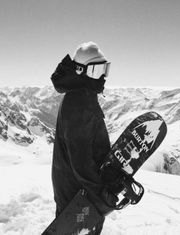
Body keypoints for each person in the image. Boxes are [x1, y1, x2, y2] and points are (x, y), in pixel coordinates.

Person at [50, 42, 112, 234]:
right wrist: (103, 196)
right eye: (96, 71)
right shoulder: (79, 102)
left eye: (105, 69)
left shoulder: (82, 95)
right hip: (78, 196)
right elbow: (81, 162)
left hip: (78, 192)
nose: (102, 76)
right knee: (79, 230)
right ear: (80, 71)